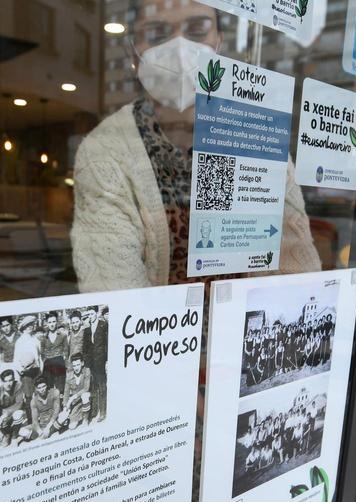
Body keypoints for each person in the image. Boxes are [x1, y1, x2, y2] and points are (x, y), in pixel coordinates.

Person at [70, 1, 320, 291]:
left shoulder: (255, 134)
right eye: (157, 33)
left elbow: (297, 269)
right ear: (133, 52)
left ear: (219, 43)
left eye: (197, 30)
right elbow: (116, 293)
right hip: (154, 334)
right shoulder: (104, 151)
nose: (179, 47)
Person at [0, 369, 30, 447]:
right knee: (4, 444)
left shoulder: (18, 386)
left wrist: (6, 413)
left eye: (11, 380)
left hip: (15, 413)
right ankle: (7, 433)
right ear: (2, 382)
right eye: (6, 381)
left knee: (18, 415)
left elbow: (19, 404)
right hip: (5, 418)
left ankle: (14, 437)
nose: (9, 383)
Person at [85, 307, 108, 422]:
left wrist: (107, 361)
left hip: (102, 361)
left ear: (97, 314)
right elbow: (86, 348)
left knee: (103, 386)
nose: (90, 316)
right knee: (95, 387)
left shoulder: (103, 325)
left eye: (92, 314)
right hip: (92, 363)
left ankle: (103, 412)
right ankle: (95, 411)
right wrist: (87, 364)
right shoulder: (87, 330)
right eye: (88, 314)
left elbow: (107, 344)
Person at [13, 316, 43, 399]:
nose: (30, 327)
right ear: (24, 327)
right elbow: (16, 360)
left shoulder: (36, 340)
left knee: (38, 395)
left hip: (36, 371)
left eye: (32, 324)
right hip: (26, 373)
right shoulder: (19, 341)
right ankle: (29, 411)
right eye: (28, 325)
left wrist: (41, 370)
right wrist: (21, 370)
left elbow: (39, 357)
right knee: (28, 396)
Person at [29, 376, 67, 440]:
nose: (42, 389)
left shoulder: (55, 392)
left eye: (44, 386)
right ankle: (50, 433)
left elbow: (56, 411)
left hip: (54, 421)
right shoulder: (33, 401)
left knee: (64, 415)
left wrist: (48, 428)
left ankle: (48, 433)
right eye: (39, 388)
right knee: (22, 431)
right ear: (36, 389)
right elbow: (35, 421)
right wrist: (40, 432)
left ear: (47, 385)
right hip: (43, 424)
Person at [63, 353, 93, 429]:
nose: (76, 368)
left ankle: (85, 419)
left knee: (85, 395)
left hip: (87, 398)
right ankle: (79, 416)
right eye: (74, 366)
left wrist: (72, 397)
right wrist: (65, 406)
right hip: (76, 402)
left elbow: (86, 388)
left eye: (78, 365)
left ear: (82, 363)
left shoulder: (87, 370)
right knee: (71, 426)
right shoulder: (69, 375)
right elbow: (66, 393)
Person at [40, 313, 69, 393]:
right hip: (48, 364)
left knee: (60, 388)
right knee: (49, 388)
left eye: (53, 322)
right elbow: (42, 352)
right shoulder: (44, 337)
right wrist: (45, 360)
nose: (52, 324)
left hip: (59, 363)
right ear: (47, 323)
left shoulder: (63, 335)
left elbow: (66, 350)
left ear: (57, 322)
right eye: (49, 322)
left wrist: (64, 361)